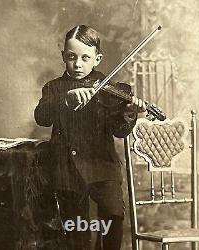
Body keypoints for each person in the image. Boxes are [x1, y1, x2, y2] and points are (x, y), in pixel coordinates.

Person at [34, 25, 146, 250]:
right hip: (67, 168)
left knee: (114, 216)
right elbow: (41, 117)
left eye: (86, 58)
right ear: (63, 57)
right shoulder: (54, 88)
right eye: (71, 57)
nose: (77, 64)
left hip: (102, 164)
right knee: (75, 228)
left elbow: (120, 131)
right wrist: (66, 99)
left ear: (97, 59)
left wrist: (128, 113)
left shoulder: (109, 88)